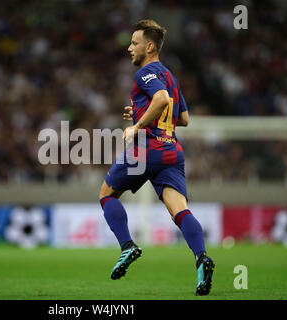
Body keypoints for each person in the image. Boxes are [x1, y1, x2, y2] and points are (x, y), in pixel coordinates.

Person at [98, 19, 215, 296]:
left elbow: (161, 100)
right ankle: (201, 258)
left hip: (146, 148)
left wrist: (137, 126)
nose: (129, 48)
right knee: (180, 210)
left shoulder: (145, 73)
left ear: (149, 47)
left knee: (106, 194)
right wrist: (139, 113)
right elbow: (183, 118)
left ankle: (127, 246)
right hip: (172, 151)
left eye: (134, 43)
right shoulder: (170, 77)